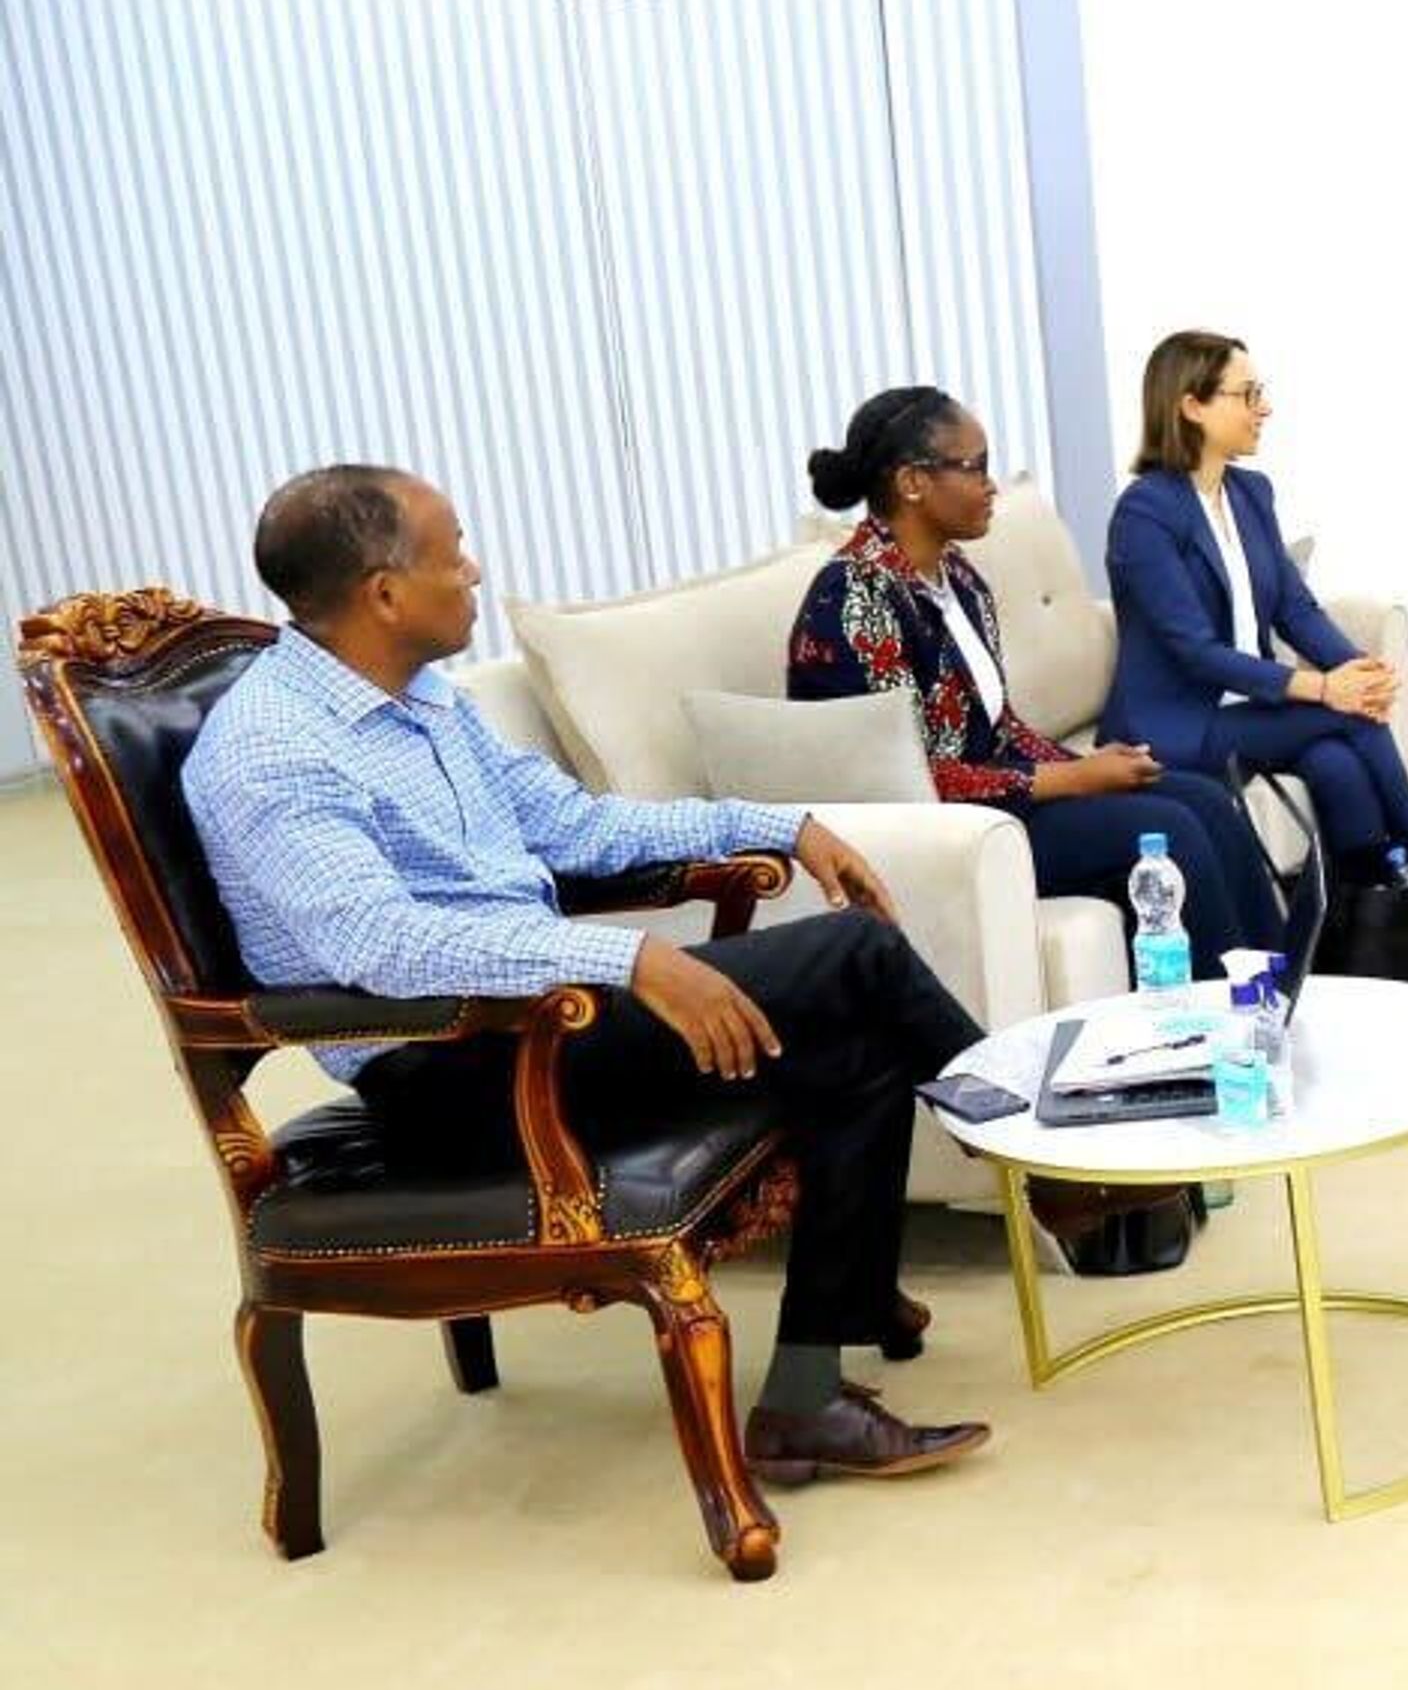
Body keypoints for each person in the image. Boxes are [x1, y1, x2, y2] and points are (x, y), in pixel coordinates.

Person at [182, 465, 995, 1483]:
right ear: (385, 594)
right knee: (858, 954)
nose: (473, 571)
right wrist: (630, 957)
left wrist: (776, 821)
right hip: (452, 1067)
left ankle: (805, 1394)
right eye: (453, 552)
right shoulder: (272, 751)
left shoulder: (421, 700)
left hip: (541, 1017)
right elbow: (381, 945)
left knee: (856, 1032)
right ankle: (1030, 1150)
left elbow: (573, 823)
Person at [788, 385, 1288, 977]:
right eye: (974, 468)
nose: (991, 486)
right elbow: (912, 779)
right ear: (912, 482)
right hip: (948, 834)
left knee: (1204, 797)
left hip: (1001, 800)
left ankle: (1278, 993)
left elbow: (997, 728)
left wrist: (1101, 769)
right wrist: (1074, 777)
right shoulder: (856, 597)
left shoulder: (958, 578)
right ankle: (1227, 1028)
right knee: (1170, 829)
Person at [1100, 331, 1408, 880]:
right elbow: (1195, 652)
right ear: (1192, 406)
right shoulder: (1144, 513)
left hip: (1249, 709)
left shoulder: (1250, 493)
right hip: (1180, 723)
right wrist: (1328, 689)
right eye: (1247, 394)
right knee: (1351, 722)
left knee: (1339, 768)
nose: (1264, 407)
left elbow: (1294, 607)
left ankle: (1368, 923)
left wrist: (1358, 671)